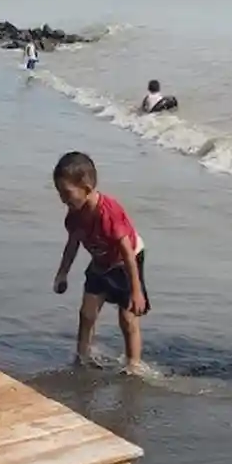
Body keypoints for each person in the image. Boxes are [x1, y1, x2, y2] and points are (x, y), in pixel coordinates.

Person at [51, 151, 149, 370]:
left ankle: (133, 365)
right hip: (100, 260)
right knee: (87, 313)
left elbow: (127, 252)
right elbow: (72, 244)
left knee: (127, 317)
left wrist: (136, 290)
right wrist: (62, 272)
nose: (62, 199)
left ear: (86, 189)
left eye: (66, 193)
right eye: (59, 193)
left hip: (126, 261)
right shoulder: (74, 214)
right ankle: (82, 355)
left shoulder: (108, 214)